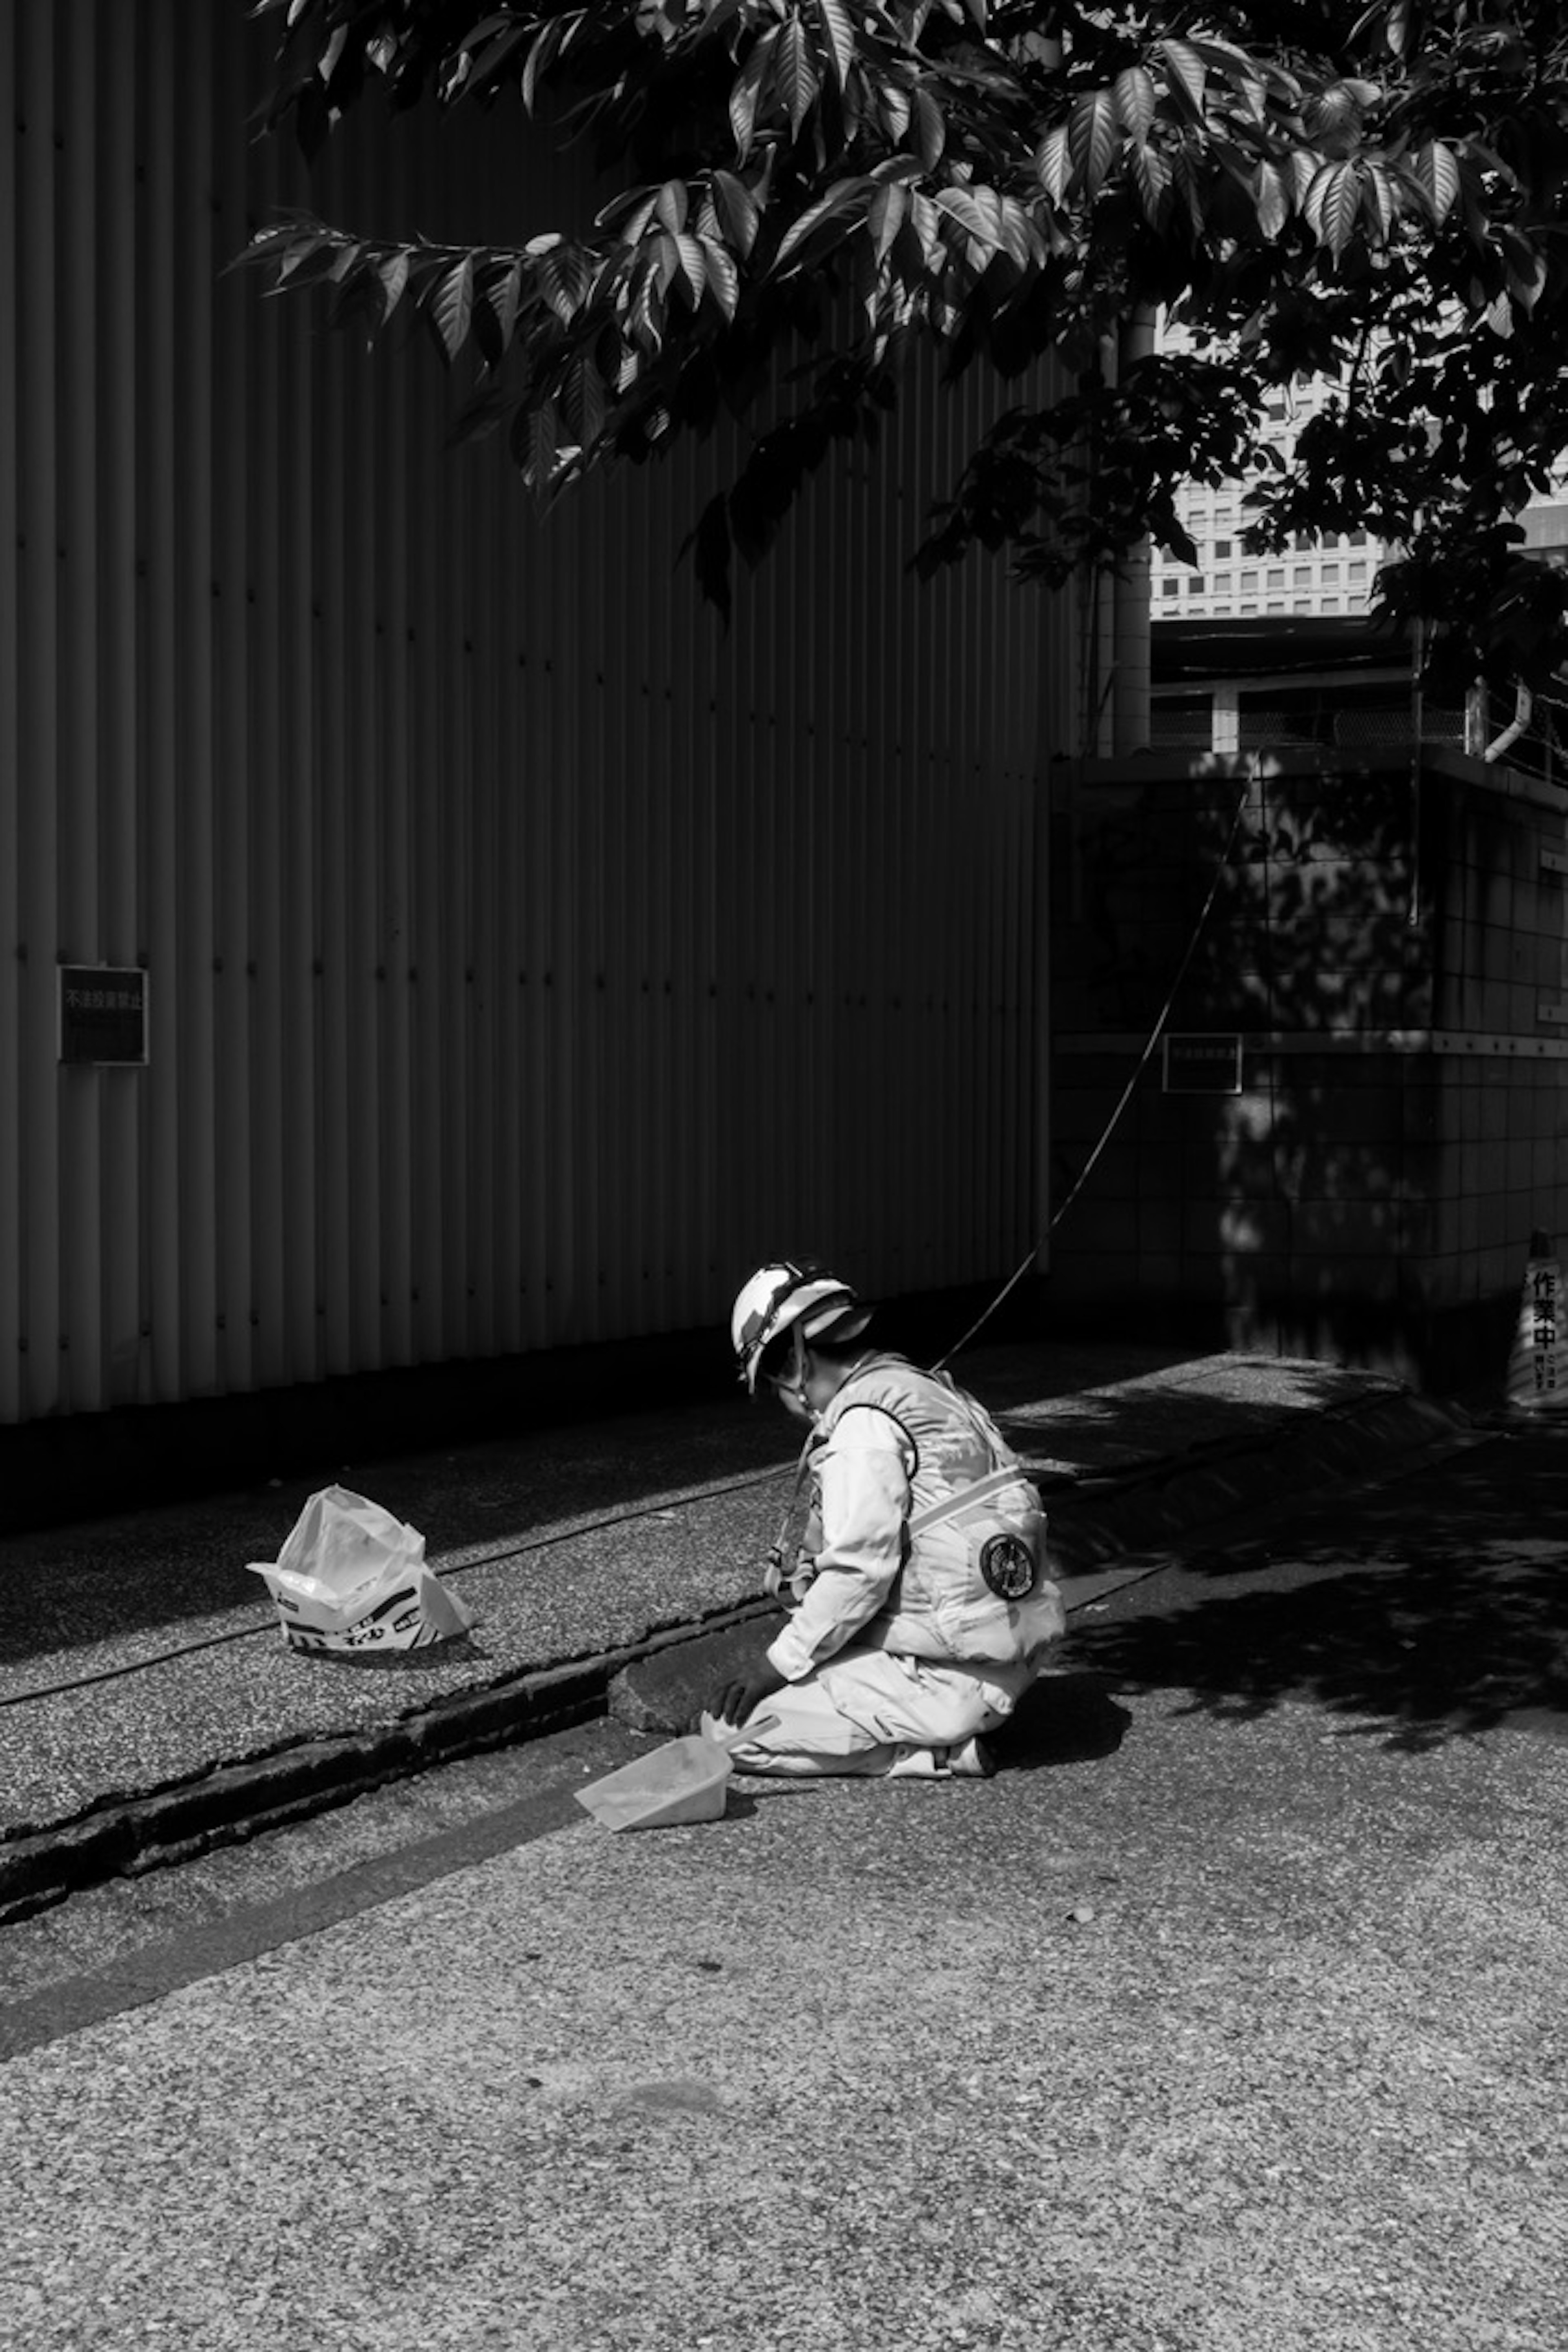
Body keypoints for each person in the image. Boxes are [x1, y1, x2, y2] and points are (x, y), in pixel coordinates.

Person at [708, 1258, 1065, 1778]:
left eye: (772, 1385)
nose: (781, 1402)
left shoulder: (862, 1427)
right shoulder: (929, 1392)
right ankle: (945, 1722)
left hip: (946, 1677)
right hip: (1015, 1657)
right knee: (820, 1654)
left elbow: (859, 1569)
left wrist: (772, 1669)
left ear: (794, 1364)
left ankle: (930, 1752)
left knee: (727, 1735)